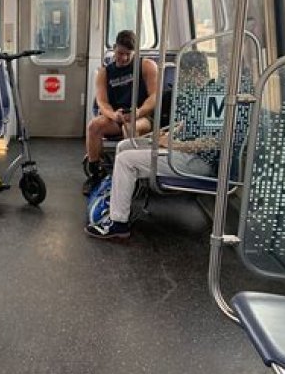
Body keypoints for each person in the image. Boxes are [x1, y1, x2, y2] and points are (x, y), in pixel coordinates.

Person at [84, 51, 219, 239]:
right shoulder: (199, 95)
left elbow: (213, 143)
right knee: (125, 146)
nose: (180, 80)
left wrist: (173, 145)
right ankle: (123, 202)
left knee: (125, 160)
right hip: (182, 150)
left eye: (182, 75)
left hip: (197, 161)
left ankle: (118, 223)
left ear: (195, 73)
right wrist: (167, 134)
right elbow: (187, 126)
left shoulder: (214, 99)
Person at [83, 29, 158, 195]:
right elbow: (102, 102)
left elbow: (154, 96)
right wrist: (113, 115)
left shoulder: (146, 66)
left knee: (129, 128)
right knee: (94, 126)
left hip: (142, 117)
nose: (123, 58)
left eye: (127, 54)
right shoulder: (104, 73)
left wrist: (138, 112)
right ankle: (95, 174)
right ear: (114, 48)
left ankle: (132, 176)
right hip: (117, 116)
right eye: (120, 53)